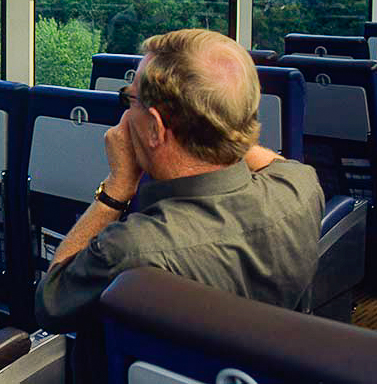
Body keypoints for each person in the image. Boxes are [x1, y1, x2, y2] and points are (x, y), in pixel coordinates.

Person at [36, 28, 324, 383]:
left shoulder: (130, 250)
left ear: (156, 128)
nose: (126, 114)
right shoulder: (299, 189)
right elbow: (269, 161)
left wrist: (116, 190)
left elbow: (50, 301)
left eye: (131, 101)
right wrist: (220, 122)